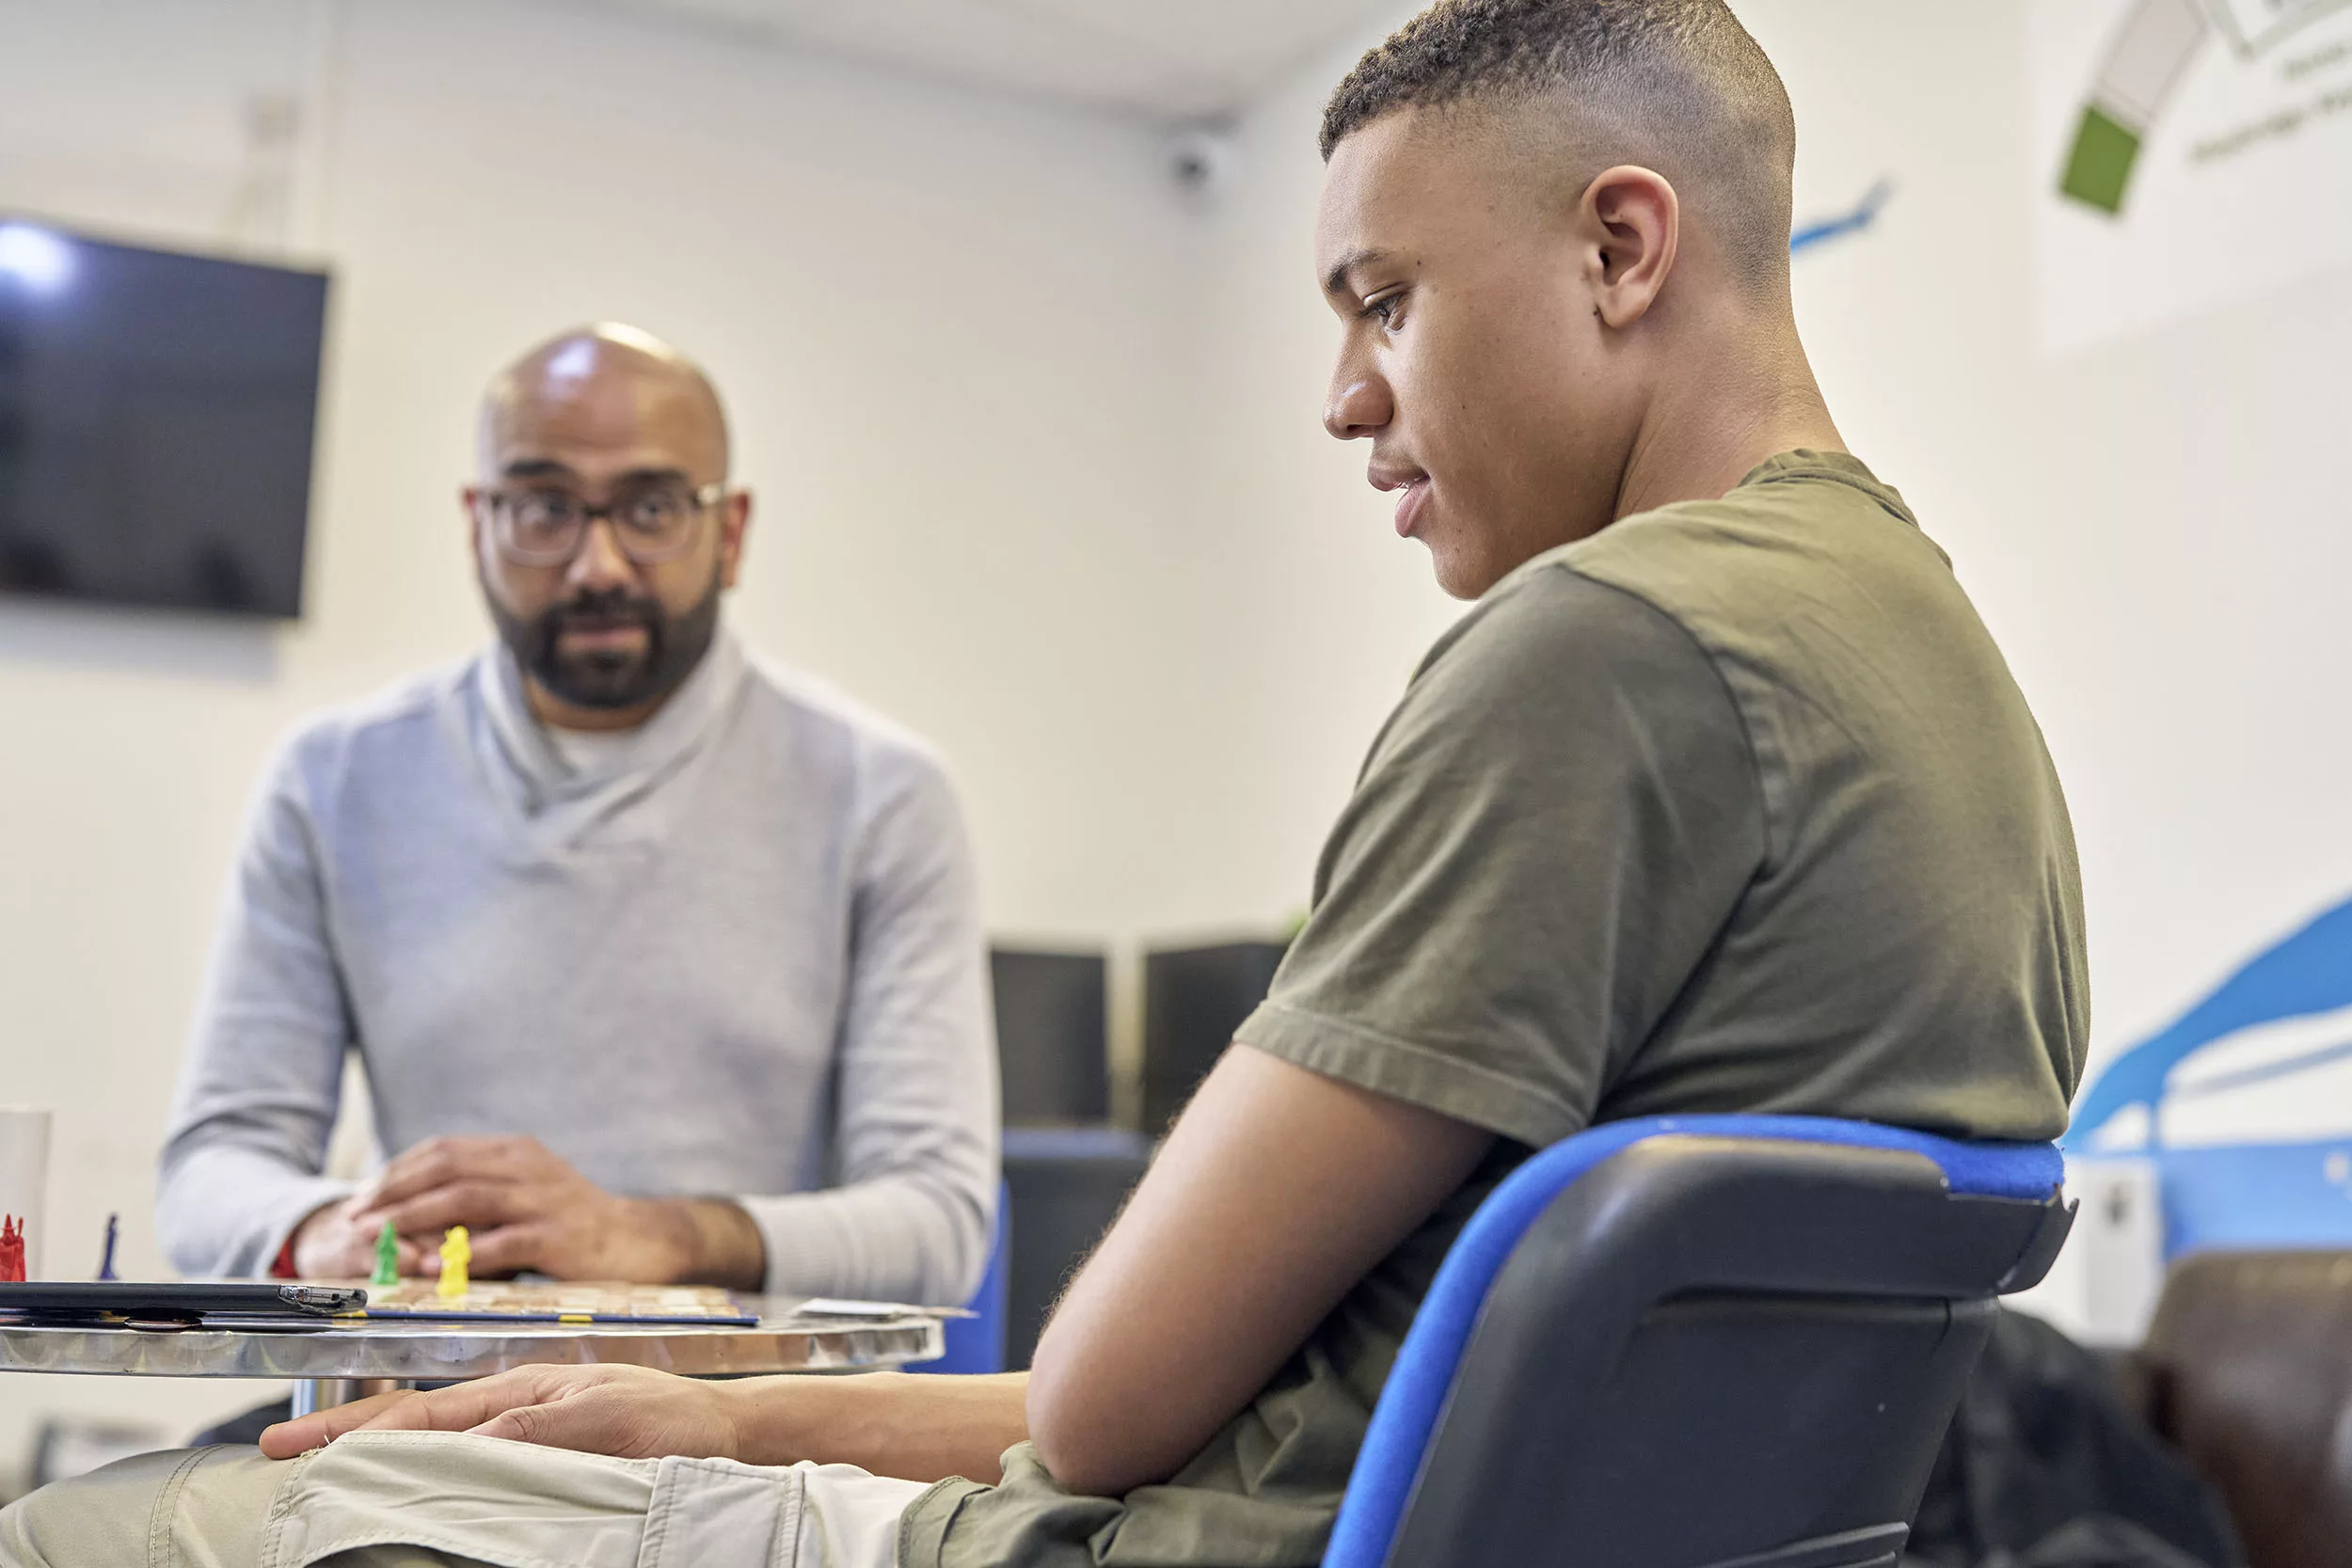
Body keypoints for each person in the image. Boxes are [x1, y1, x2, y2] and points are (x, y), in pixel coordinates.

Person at [0, 2, 2086, 1563]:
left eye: (1382, 298)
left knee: (100, 1524)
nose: (1343, 393)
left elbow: (1097, 1406)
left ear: (1622, 248)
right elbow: (1225, 1388)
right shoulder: (1941, 672)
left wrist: (696, 1412)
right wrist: (673, 1404)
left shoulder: (1595, 653)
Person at [151, 323, 996, 1307]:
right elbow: (214, 1165)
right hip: (413, 1404)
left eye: (651, 507)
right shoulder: (334, 777)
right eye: (545, 506)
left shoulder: (880, 795)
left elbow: (939, 1223)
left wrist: (654, 1234)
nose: (599, 563)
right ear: (478, 523)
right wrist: (330, 1231)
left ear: (730, 533)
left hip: (743, 1421)